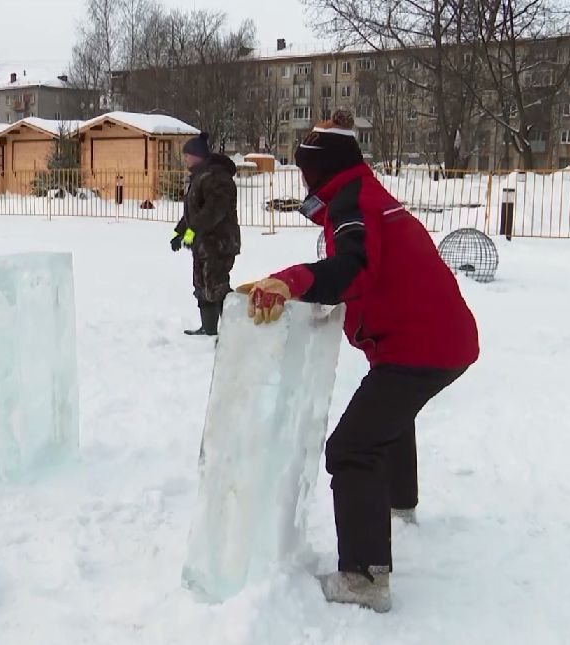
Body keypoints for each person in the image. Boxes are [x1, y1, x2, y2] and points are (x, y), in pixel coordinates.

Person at [235, 110, 479, 613]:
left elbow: (356, 267)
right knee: (388, 418)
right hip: (434, 340)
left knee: (351, 448)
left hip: (421, 345)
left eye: (305, 170)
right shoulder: (361, 193)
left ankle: (366, 577)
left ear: (319, 170)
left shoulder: (353, 202)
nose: (303, 180)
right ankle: (399, 507)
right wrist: (301, 285)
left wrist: (294, 280)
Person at [170, 132, 241, 336]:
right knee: (202, 285)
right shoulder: (199, 177)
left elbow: (213, 210)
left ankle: (233, 330)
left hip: (219, 242)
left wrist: (193, 230)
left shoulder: (216, 177)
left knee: (217, 285)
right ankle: (208, 328)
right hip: (203, 242)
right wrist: (180, 232)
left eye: (187, 154)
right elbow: (194, 211)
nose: (185, 158)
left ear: (197, 155)